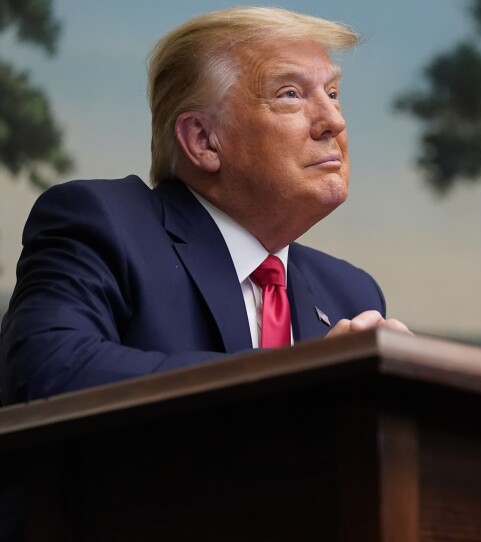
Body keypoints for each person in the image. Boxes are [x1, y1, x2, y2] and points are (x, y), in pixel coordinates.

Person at [0, 6, 409, 406]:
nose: (334, 122)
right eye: (290, 94)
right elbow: (45, 369)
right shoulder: (103, 224)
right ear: (203, 141)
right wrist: (299, 381)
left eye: (333, 94)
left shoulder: (350, 292)